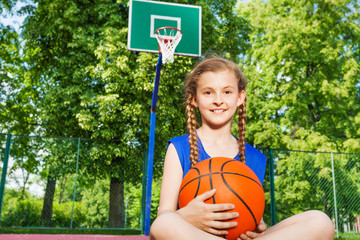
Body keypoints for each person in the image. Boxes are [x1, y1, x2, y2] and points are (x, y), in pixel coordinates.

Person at [150, 57, 335, 240]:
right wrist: (186, 216)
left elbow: (247, 210)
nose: (218, 100)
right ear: (194, 99)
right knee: (163, 224)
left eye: (227, 92)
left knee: (320, 221)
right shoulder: (179, 148)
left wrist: (256, 226)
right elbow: (163, 217)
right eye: (208, 93)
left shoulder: (255, 158)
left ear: (240, 97)